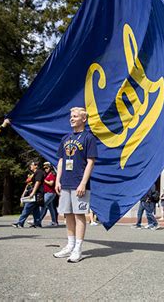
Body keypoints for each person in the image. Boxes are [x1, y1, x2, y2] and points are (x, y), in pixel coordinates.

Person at [53, 107, 97, 263]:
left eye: (75, 116)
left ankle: (78, 248)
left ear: (83, 119)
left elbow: (91, 162)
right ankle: (70, 245)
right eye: (71, 116)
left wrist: (83, 183)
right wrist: (58, 180)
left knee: (79, 215)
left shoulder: (88, 138)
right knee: (67, 214)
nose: (71, 118)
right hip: (65, 182)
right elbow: (60, 161)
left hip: (79, 183)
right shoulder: (66, 138)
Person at [12, 161, 44, 228]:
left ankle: (20, 223)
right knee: (35, 209)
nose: (30, 166)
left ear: (36, 166)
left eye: (32, 165)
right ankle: (37, 223)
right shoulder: (34, 173)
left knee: (27, 208)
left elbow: (38, 182)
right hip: (35, 194)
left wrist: (33, 193)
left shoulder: (39, 172)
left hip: (36, 194)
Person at [39, 162, 58, 226]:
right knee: (51, 207)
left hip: (50, 193)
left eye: (47, 168)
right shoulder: (47, 174)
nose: (45, 169)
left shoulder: (52, 174)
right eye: (45, 168)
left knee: (43, 205)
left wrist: (44, 180)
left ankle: (38, 220)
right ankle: (54, 221)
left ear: (50, 167)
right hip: (48, 193)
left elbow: (51, 183)